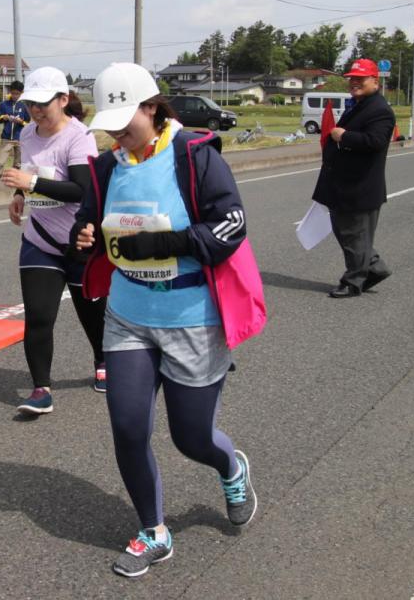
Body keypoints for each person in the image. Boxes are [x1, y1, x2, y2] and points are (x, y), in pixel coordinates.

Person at [71, 62, 257, 579]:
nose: (116, 132)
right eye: (108, 122)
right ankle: (153, 530)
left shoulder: (195, 156)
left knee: (191, 437)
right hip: (128, 313)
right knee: (128, 427)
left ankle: (231, 466)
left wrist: (168, 242)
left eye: (125, 120)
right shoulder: (108, 166)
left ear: (152, 108)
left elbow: (231, 226)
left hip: (192, 317)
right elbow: (91, 220)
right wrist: (84, 234)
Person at [0, 67, 106, 415]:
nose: (37, 110)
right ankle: (40, 388)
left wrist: (29, 185)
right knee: (40, 315)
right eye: (32, 103)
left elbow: (80, 190)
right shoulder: (28, 133)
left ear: (63, 99)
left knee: (91, 313)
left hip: (79, 240)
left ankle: (104, 359)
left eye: (44, 103)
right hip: (39, 239)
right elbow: (31, 173)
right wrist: (19, 193)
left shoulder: (79, 136)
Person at [312, 58, 395, 298]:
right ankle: (375, 268)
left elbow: (375, 141)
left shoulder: (379, 110)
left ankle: (353, 281)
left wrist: (344, 136)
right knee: (349, 232)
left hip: (359, 186)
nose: (354, 83)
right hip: (346, 183)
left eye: (360, 79)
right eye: (352, 79)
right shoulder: (361, 104)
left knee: (353, 234)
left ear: (374, 81)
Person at [0, 81, 30, 190]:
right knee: (0, 162)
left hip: (20, 139)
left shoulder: (24, 105)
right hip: (6, 138)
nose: (15, 96)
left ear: (21, 93)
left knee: (18, 164)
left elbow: (29, 123)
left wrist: (21, 122)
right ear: (10, 92)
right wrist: (3, 117)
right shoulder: (4, 104)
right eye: (13, 93)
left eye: (17, 94)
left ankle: (16, 184)